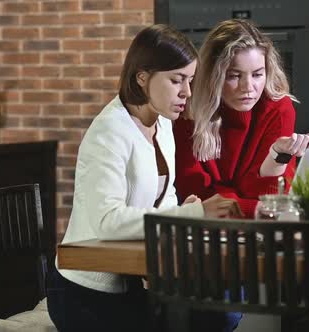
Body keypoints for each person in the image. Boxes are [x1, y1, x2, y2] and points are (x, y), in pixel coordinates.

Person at [46, 24, 242, 332]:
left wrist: (182, 209)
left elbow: (165, 198)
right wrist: (193, 213)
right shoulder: (109, 133)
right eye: (176, 80)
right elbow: (108, 221)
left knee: (216, 313)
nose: (187, 92)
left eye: (190, 81)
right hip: (85, 292)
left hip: (132, 282)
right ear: (142, 77)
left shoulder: (162, 124)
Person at [174, 19, 309, 219]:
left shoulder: (279, 108)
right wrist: (251, 207)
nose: (248, 87)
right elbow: (194, 193)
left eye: (257, 74)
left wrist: (276, 157)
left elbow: (273, 196)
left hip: (260, 227)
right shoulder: (190, 111)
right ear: (212, 76)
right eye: (234, 76)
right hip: (209, 229)